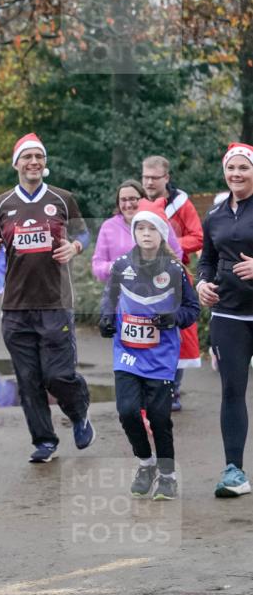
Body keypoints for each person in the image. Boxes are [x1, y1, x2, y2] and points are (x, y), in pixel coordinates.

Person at [0, 132, 93, 463]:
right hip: (15, 306)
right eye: (27, 157)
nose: (33, 162)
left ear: (44, 164)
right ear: (16, 163)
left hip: (55, 303)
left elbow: (83, 232)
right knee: (28, 380)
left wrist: (74, 247)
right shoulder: (2, 203)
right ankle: (44, 441)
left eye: (39, 157)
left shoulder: (62, 199)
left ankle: (79, 411)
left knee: (57, 375)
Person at [99, 209, 199, 500]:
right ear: (134, 234)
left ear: (161, 235)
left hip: (161, 355)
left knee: (159, 417)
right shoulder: (121, 266)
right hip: (127, 353)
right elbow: (110, 298)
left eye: (151, 229)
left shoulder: (174, 270)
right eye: (140, 228)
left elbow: (192, 309)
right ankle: (146, 463)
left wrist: (174, 318)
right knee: (128, 412)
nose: (145, 233)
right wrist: (106, 318)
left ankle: (167, 475)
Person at [197, 142, 253, 498]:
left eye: (243, 168)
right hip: (228, 314)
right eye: (231, 168)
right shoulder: (215, 215)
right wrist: (202, 282)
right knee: (233, 392)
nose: (237, 174)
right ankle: (235, 472)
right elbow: (207, 258)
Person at [142, 155, 203, 410]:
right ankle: (145, 387)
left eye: (154, 178)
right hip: (142, 278)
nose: (148, 182)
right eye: (145, 176)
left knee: (177, 331)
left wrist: (170, 247)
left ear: (166, 177)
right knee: (145, 330)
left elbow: (198, 236)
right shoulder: (138, 201)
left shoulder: (181, 204)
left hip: (174, 275)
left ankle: (173, 390)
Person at [91, 180, 183, 282]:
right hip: (120, 293)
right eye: (123, 200)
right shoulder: (108, 227)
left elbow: (177, 253)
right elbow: (97, 266)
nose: (128, 204)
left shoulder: (159, 222)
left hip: (156, 291)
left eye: (133, 199)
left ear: (144, 199)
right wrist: (117, 266)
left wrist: (161, 272)